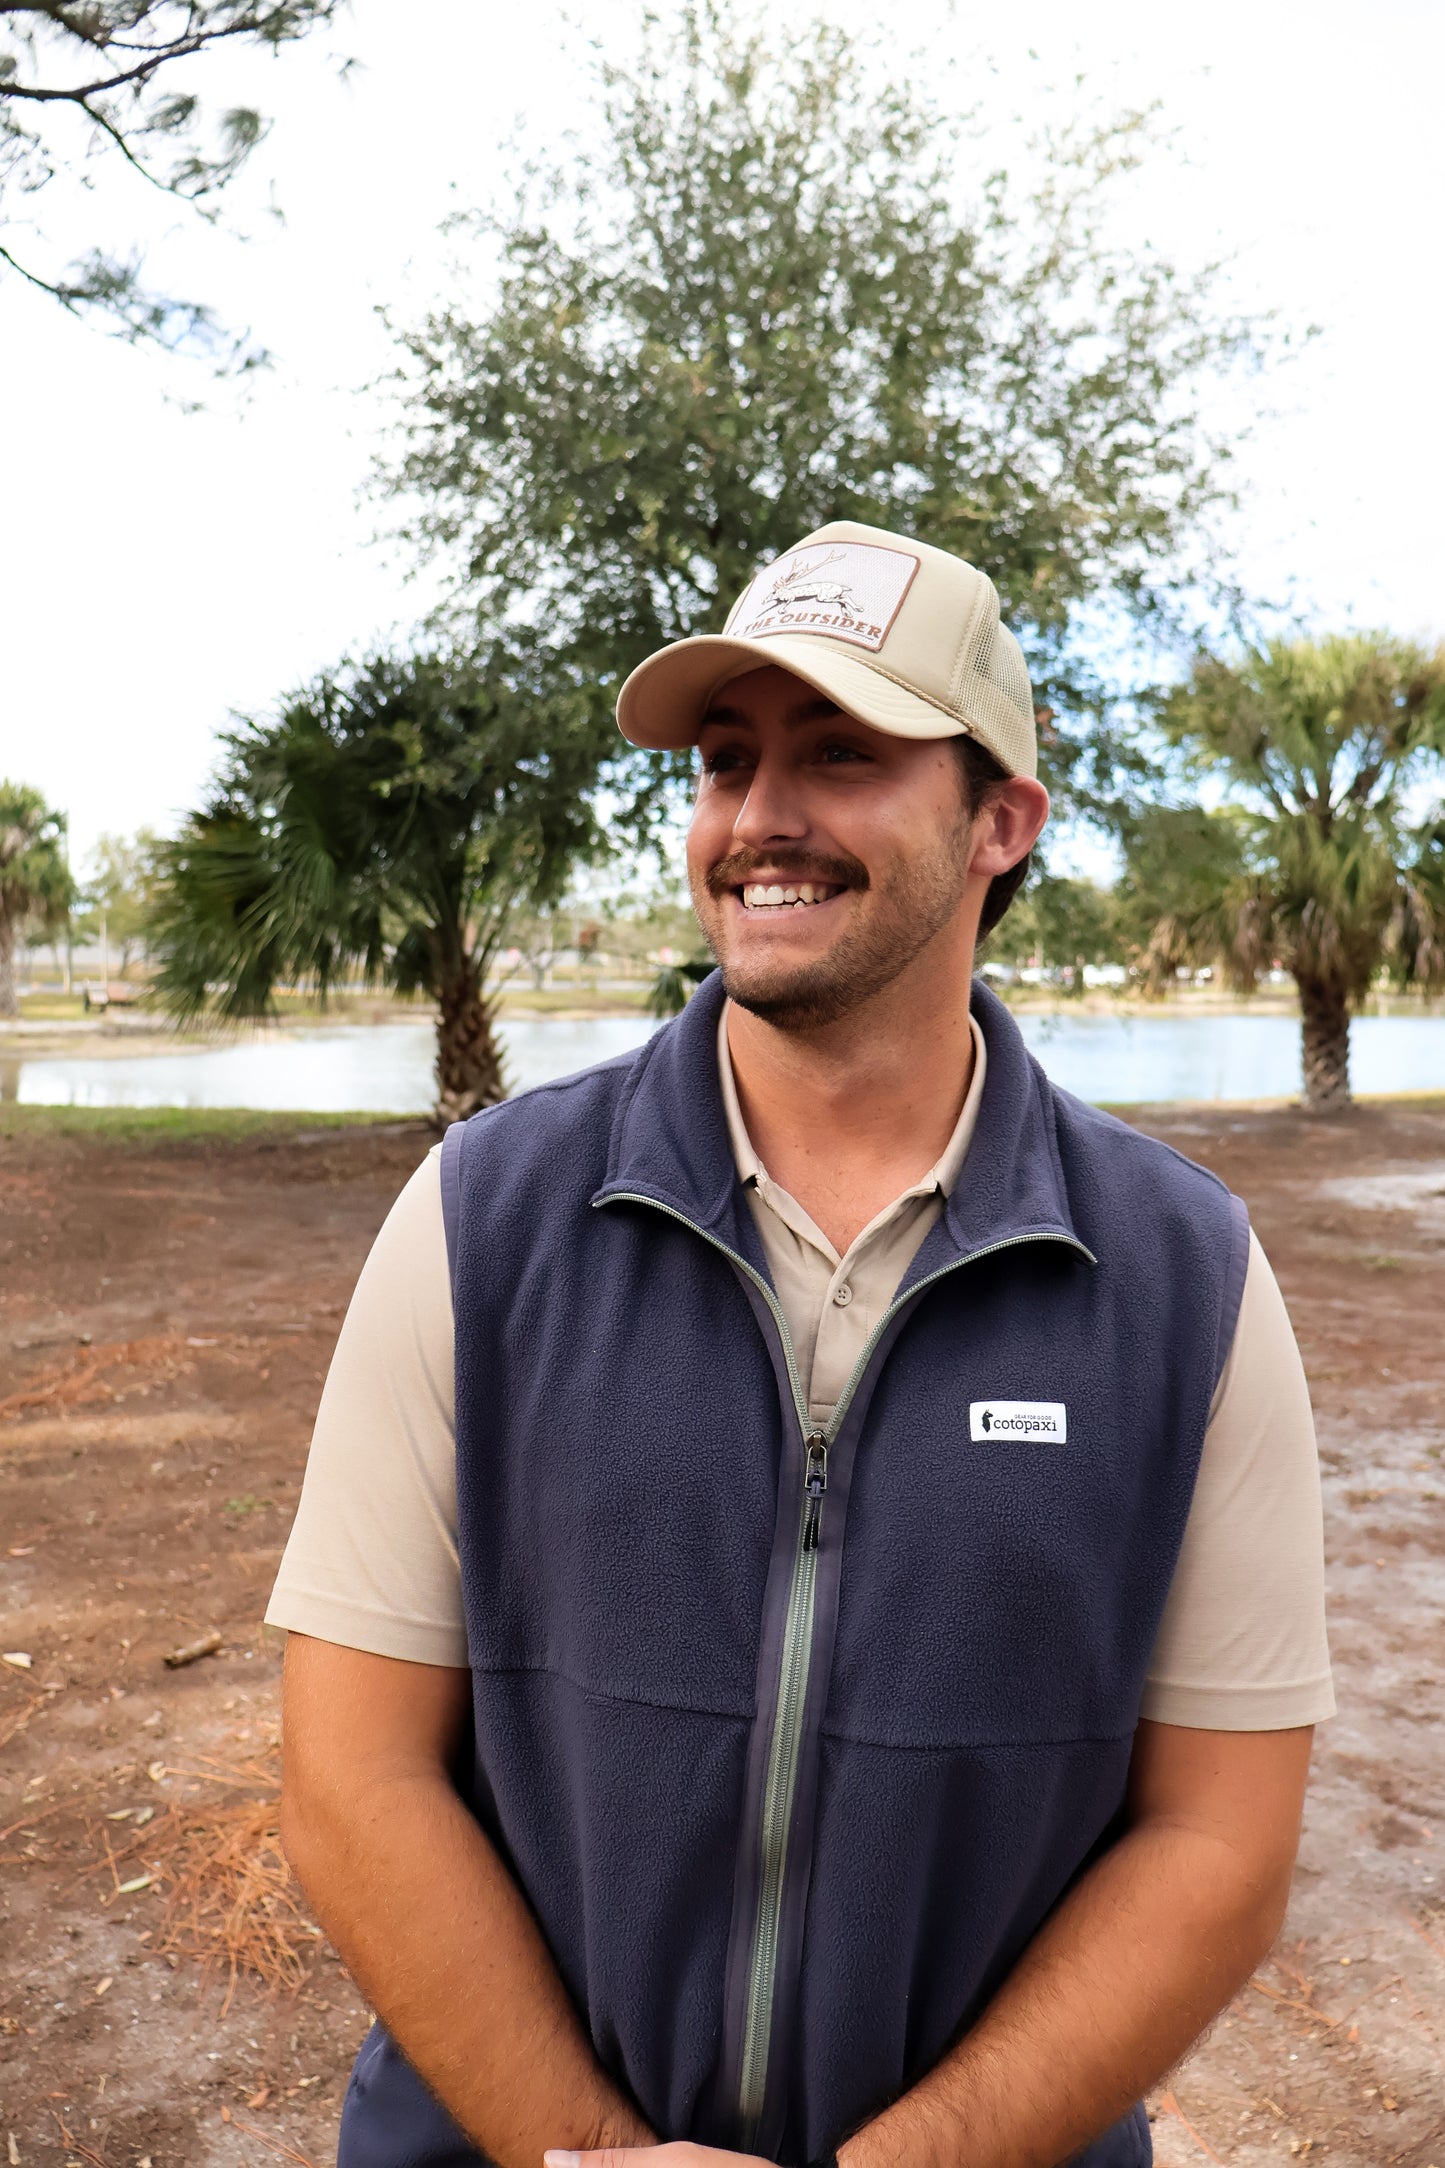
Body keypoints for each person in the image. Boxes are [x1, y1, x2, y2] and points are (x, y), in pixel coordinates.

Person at [268, 521, 1333, 2168]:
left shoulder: (1182, 1278)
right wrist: (587, 2153)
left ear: (1000, 820)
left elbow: (1217, 1842)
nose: (759, 818)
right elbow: (352, 1776)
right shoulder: (482, 1221)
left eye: (839, 754)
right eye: (724, 760)